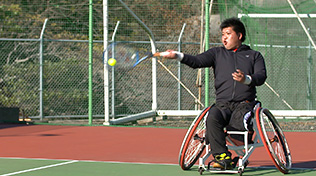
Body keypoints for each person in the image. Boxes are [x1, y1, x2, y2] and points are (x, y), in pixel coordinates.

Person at [163, 17, 267, 169]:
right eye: (222, 34)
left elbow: (261, 76)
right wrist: (177, 56)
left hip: (245, 104)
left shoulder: (254, 55)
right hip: (223, 104)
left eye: (228, 33)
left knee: (238, 125)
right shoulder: (217, 53)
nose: (224, 37)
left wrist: (246, 79)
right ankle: (223, 157)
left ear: (239, 36)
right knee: (212, 118)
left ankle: (238, 144)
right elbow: (196, 61)